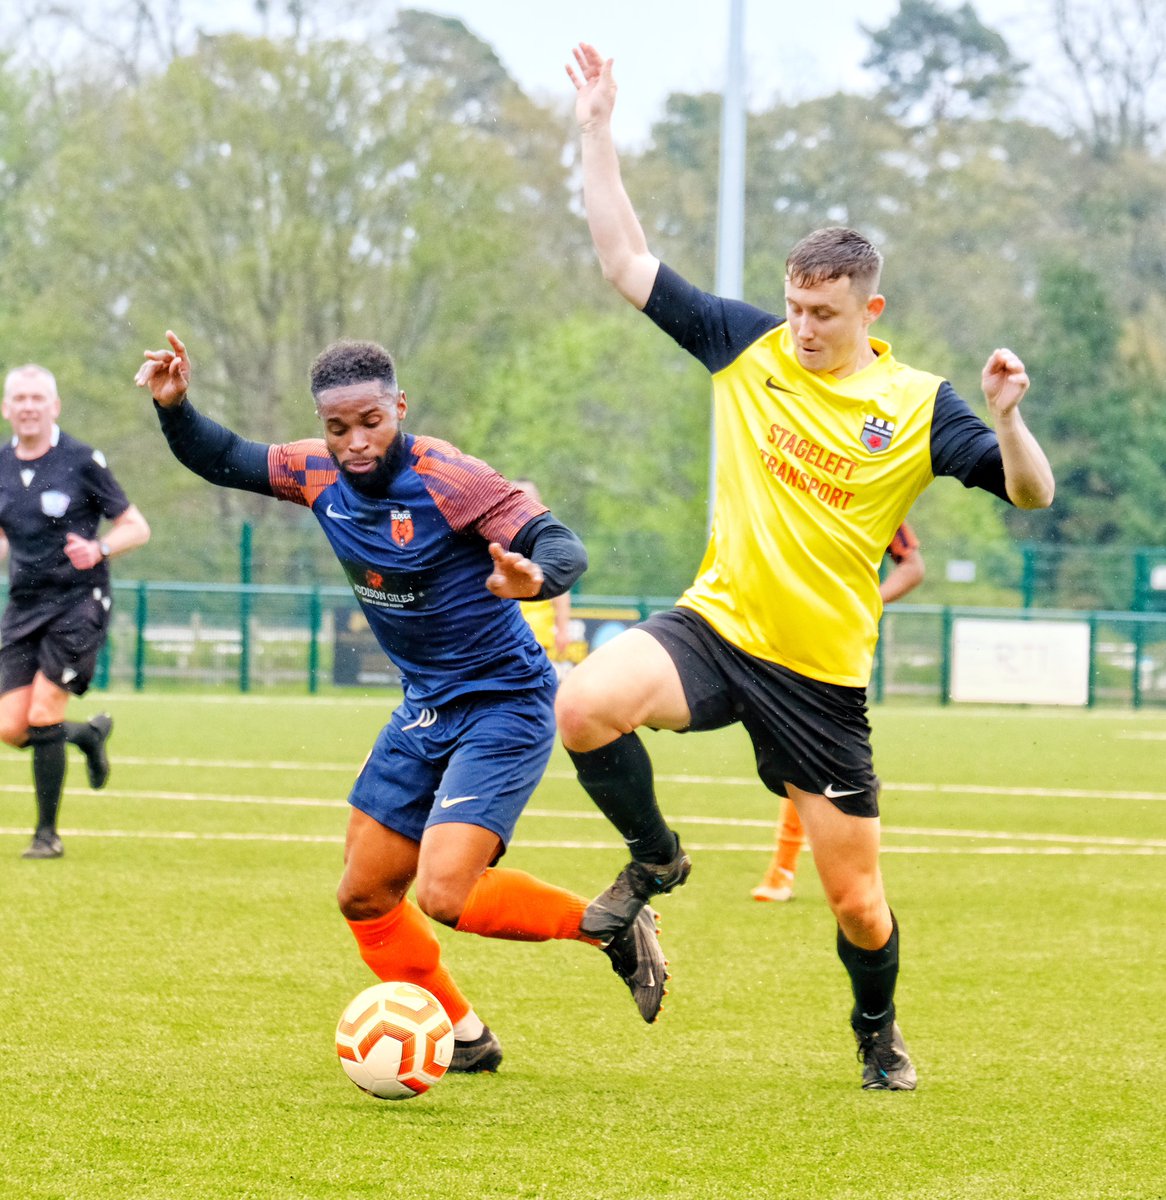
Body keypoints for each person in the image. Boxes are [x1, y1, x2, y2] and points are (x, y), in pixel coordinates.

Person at [561, 43, 1055, 1090]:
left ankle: (875, 1029)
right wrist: (596, 129)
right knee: (582, 703)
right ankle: (655, 860)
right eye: (792, 305)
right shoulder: (748, 348)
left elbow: (1028, 494)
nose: (800, 327)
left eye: (821, 313)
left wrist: (1009, 423)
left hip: (818, 680)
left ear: (867, 311)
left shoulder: (916, 406)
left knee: (856, 904)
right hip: (715, 627)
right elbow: (623, 262)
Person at [134, 331, 668, 1073]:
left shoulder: (451, 477)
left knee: (446, 893)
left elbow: (561, 545)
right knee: (364, 895)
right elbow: (224, 457)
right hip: (425, 705)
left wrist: (534, 580)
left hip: (504, 702)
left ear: (399, 407)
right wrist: (175, 407)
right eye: (338, 426)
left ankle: (606, 928)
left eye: (371, 422)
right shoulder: (315, 471)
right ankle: (464, 1037)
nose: (354, 442)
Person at [0, 364, 151, 859]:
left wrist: (100, 550)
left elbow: (135, 526)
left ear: (54, 407)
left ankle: (47, 836)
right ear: (6, 408)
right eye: (18, 398)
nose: (27, 406)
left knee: (44, 711)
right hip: (24, 605)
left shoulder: (81, 460)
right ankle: (86, 736)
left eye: (36, 398)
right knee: (11, 727)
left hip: (78, 602)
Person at [752, 523, 924, 903]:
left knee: (807, 752)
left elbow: (912, 567)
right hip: (785, 637)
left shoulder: (873, 488)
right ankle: (788, 867)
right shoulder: (787, 490)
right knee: (797, 750)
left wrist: (867, 602)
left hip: (840, 648)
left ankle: (785, 871)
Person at [513, 480, 573, 662]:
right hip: (505, 634)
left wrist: (563, 630)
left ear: (539, 503)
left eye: (527, 498)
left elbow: (560, 590)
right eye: (517, 497)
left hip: (538, 635)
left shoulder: (547, 540)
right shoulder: (496, 537)